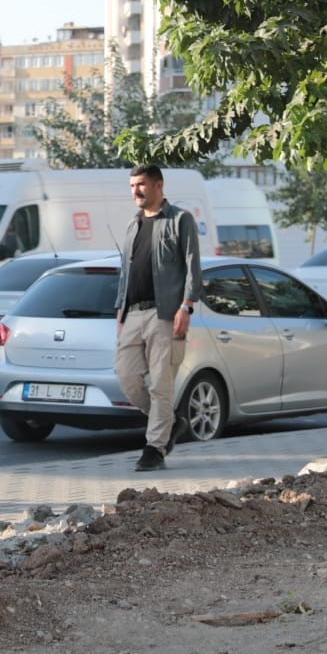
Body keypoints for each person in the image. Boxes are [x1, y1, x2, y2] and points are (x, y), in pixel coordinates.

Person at [113, 164, 202, 473]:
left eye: (141, 185)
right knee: (126, 377)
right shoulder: (133, 225)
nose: (135, 191)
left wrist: (186, 306)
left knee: (161, 385)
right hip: (133, 313)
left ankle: (155, 448)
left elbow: (193, 267)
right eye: (132, 185)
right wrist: (119, 312)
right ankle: (172, 423)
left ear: (158, 186)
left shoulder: (180, 219)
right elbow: (126, 272)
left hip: (166, 313)